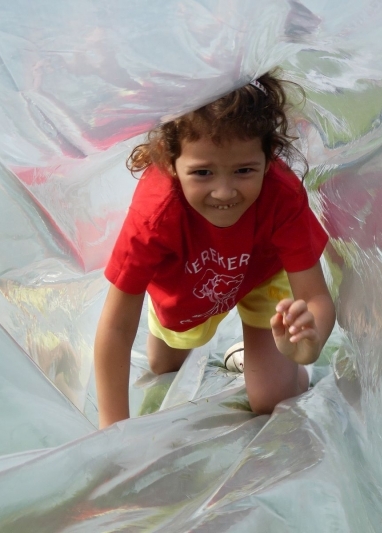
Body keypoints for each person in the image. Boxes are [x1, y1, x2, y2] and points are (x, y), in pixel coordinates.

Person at [94, 70, 335, 429]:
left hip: (262, 273)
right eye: (203, 173)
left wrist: (308, 344)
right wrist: (111, 430)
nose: (224, 192)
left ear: (270, 160)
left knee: (273, 402)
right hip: (189, 276)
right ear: (170, 161)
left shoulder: (281, 194)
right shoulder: (156, 213)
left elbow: (315, 296)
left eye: (244, 170)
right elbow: (115, 326)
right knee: (164, 365)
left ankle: (275, 365)